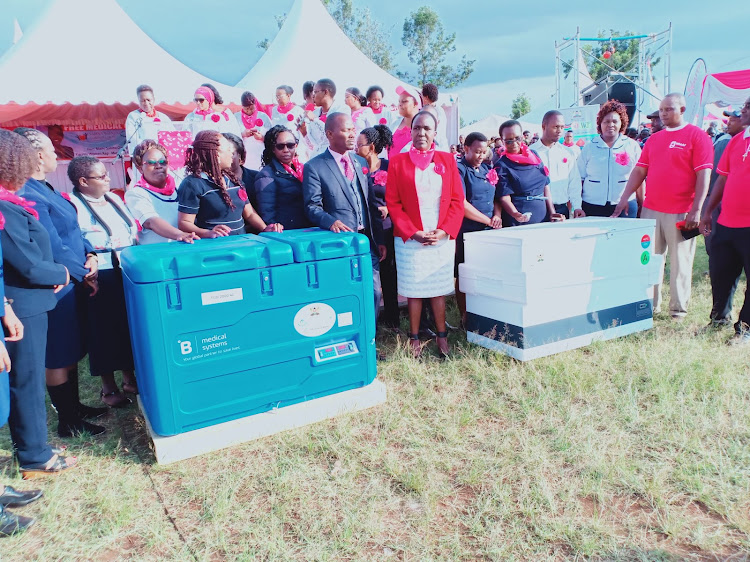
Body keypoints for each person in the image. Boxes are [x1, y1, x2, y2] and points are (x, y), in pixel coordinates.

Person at [14, 128, 108, 435]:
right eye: (53, 150)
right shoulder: (28, 193)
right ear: (38, 156)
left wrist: (91, 254)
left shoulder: (46, 188)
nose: (57, 155)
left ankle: (75, 406)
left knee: (70, 350)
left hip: (72, 278)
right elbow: (52, 246)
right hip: (57, 284)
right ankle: (68, 420)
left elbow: (73, 231)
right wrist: (85, 273)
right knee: (57, 354)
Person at [0, 129, 77, 478]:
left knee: (26, 382)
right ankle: (35, 457)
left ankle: (32, 448)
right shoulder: (5, 206)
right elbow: (27, 264)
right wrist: (61, 270)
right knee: (28, 384)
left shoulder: (11, 201)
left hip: (29, 303)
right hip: (24, 305)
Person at [612, 93, 714, 320]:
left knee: (680, 262)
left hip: (682, 211)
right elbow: (639, 171)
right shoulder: (654, 140)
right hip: (651, 210)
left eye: (669, 109)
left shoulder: (697, 137)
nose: (663, 114)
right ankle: (650, 304)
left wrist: (696, 210)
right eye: (661, 110)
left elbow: (703, 175)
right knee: (650, 259)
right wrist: (624, 197)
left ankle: (678, 310)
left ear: (683, 109)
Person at [385, 111, 464, 358]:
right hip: (411, 237)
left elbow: (456, 200)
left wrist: (444, 231)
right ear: (411, 131)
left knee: (438, 286)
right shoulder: (398, 162)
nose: (421, 133)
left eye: (427, 129)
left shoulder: (447, 160)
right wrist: (413, 233)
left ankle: (442, 336)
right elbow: (393, 202)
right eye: (417, 128)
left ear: (435, 133)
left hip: (440, 234)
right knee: (414, 288)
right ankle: (414, 337)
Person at [68, 156, 140, 407]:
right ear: (83, 181)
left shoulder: (114, 198)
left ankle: (129, 378)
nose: (108, 179)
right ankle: (108, 388)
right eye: (101, 176)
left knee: (125, 326)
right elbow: (75, 241)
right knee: (103, 331)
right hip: (100, 274)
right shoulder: (72, 205)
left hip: (127, 270)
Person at [303, 113, 385, 319]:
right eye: (346, 130)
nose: (352, 134)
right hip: (340, 243)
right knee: (346, 294)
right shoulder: (315, 167)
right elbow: (312, 206)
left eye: (352, 129)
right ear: (330, 134)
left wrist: (379, 239)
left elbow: (370, 202)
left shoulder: (359, 162)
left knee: (373, 292)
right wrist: (331, 222)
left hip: (367, 240)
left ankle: (369, 338)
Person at [699, 97, 750, 339]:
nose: (743, 111)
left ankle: (745, 329)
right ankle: (719, 319)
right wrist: (708, 211)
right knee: (720, 275)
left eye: (748, 107)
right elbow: (722, 178)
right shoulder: (737, 141)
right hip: (727, 222)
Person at [178, 130, 281, 238]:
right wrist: (208, 233)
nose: (232, 154)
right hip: (214, 248)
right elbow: (184, 223)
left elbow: (249, 213)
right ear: (216, 155)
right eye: (228, 150)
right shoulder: (193, 184)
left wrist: (265, 229)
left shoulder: (233, 180)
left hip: (241, 243)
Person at [454, 132, 503, 324]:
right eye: (477, 151)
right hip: (468, 229)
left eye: (484, 152)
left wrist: (497, 215)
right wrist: (487, 220)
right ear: (466, 149)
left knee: (486, 272)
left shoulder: (486, 168)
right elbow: (461, 204)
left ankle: (484, 311)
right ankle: (465, 317)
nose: (481, 155)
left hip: (488, 230)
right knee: (465, 273)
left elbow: (496, 197)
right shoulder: (460, 169)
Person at [356, 125, 398, 330]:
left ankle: (392, 318)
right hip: (367, 229)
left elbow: (402, 196)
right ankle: (372, 315)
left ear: (371, 147)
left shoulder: (389, 167)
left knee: (389, 273)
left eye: (359, 145)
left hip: (387, 227)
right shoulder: (357, 167)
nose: (355, 148)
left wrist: (389, 208)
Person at [577, 100, 644, 218]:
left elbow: (639, 178)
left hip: (625, 205)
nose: (610, 125)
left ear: (621, 123)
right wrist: (577, 205)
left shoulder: (632, 146)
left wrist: (641, 204)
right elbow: (579, 179)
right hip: (592, 205)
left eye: (614, 121)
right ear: (600, 124)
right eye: (606, 121)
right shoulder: (589, 147)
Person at [125, 140, 198, 245]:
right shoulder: (136, 194)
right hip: (158, 256)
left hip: (185, 250)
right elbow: (151, 221)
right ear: (140, 168)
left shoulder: (180, 188)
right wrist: (180, 235)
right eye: (151, 163)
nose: (158, 166)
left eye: (162, 162)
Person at [495, 120, 565, 226]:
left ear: (522, 137)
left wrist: (552, 212)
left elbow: (545, 186)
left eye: (517, 138)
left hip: (543, 216)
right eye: (508, 141)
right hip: (520, 219)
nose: (514, 144)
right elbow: (504, 197)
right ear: (502, 141)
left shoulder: (533, 155)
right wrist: (515, 214)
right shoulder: (502, 165)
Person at [255, 126, 310, 230]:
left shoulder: (304, 169)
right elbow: (267, 213)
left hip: (308, 228)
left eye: (290, 145)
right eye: (280, 146)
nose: (286, 150)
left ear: (296, 146)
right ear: (273, 149)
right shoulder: (266, 175)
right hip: (286, 233)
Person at [530, 111, 582, 219]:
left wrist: (577, 206)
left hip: (561, 210)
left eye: (562, 127)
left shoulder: (567, 152)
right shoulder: (531, 152)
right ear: (544, 126)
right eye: (556, 127)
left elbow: (574, 182)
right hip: (538, 210)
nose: (559, 131)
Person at [298, 79, 351, 158]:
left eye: (315, 92)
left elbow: (335, 134)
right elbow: (313, 146)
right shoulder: (315, 112)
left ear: (325, 92)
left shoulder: (342, 109)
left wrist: (315, 120)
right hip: (317, 158)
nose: (313, 95)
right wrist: (304, 132)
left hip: (336, 158)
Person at [124, 84, 175, 155]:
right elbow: (132, 139)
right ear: (138, 101)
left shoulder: (163, 117)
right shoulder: (133, 116)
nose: (146, 103)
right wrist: (149, 148)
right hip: (142, 155)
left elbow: (172, 135)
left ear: (154, 99)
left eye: (148, 100)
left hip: (161, 155)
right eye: (142, 100)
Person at [235, 91, 272, 171]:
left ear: (255, 105)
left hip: (260, 155)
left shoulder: (263, 116)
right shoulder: (235, 117)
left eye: (251, 108)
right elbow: (231, 137)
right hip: (243, 156)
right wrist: (243, 134)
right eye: (246, 108)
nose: (249, 111)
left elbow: (272, 136)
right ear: (242, 106)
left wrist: (262, 137)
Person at [222, 133, 260, 209]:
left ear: (241, 156)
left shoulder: (257, 178)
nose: (225, 157)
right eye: (222, 153)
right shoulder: (208, 181)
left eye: (231, 153)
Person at [389, 85, 422, 158]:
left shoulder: (424, 127)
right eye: (399, 101)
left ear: (415, 104)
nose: (400, 104)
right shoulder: (394, 124)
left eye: (404, 101)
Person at [421, 84, 450, 152]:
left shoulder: (433, 112)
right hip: (441, 147)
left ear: (426, 97)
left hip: (437, 148)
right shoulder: (440, 110)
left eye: (422, 96)